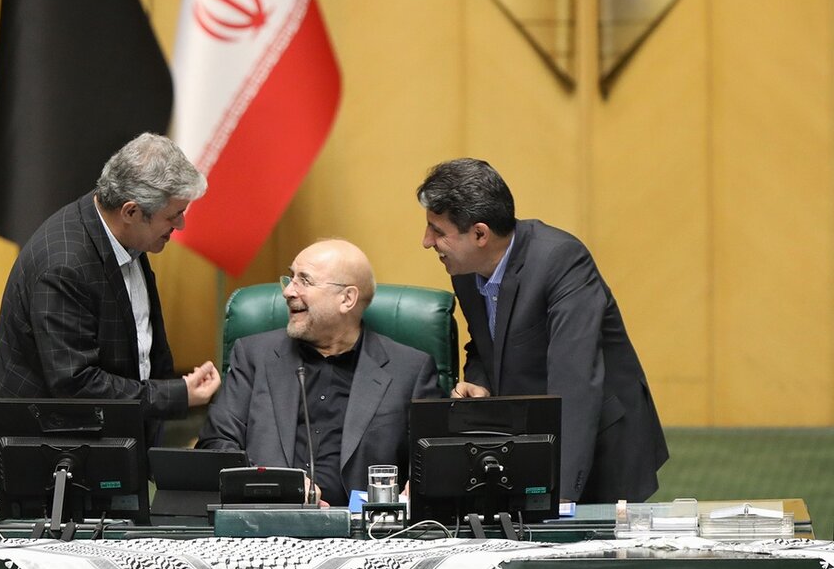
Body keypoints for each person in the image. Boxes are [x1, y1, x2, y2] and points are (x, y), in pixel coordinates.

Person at [0, 133, 221, 488]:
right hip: (40, 465)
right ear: (131, 211)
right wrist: (175, 394)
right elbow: (77, 386)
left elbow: (137, 339)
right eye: (174, 215)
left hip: (98, 449)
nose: (182, 225)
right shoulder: (63, 265)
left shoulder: (125, 237)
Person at [416, 158, 668, 503]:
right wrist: (480, 380)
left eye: (437, 231)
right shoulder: (465, 269)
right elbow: (486, 343)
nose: (426, 241)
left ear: (480, 234)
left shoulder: (562, 261)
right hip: (531, 439)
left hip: (598, 444)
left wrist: (559, 494)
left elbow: (575, 379)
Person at [196, 239, 444, 506]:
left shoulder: (409, 370)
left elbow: (438, 457)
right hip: (267, 519)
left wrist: (418, 488)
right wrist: (278, 486)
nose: (288, 291)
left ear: (347, 299)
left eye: (304, 280)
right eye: (290, 278)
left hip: (364, 527)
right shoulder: (254, 355)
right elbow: (216, 445)